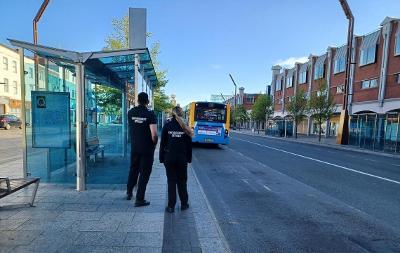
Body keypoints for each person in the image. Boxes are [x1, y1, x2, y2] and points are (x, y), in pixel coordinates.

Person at [160, 106, 194, 213]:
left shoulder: (167, 126)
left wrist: (162, 158)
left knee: (171, 181)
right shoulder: (185, 127)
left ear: (172, 114)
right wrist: (188, 159)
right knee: (182, 181)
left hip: (169, 158)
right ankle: (184, 204)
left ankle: (171, 207)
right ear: (181, 114)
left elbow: (162, 144)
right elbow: (189, 146)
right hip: (181, 159)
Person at [127, 92, 158, 207]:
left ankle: (129, 192)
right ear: (147, 101)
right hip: (146, 149)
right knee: (144, 173)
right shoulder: (150, 114)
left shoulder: (130, 112)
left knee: (133, 169)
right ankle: (139, 199)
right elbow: (154, 134)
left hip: (135, 147)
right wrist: (154, 145)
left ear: (138, 100)